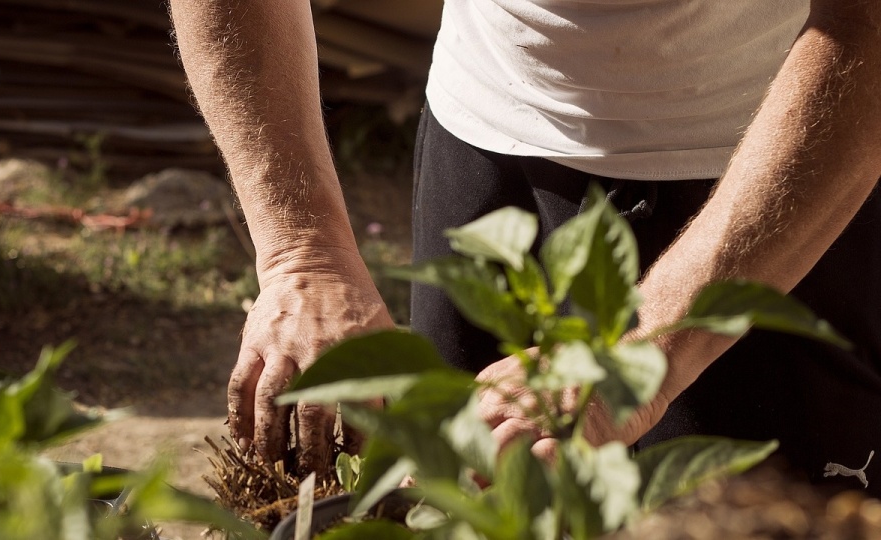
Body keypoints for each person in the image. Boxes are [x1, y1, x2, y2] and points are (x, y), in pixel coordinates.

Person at [168, 0, 881, 493]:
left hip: (776, 172)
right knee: (461, 502)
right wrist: (303, 252)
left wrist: (643, 347)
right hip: (485, 142)